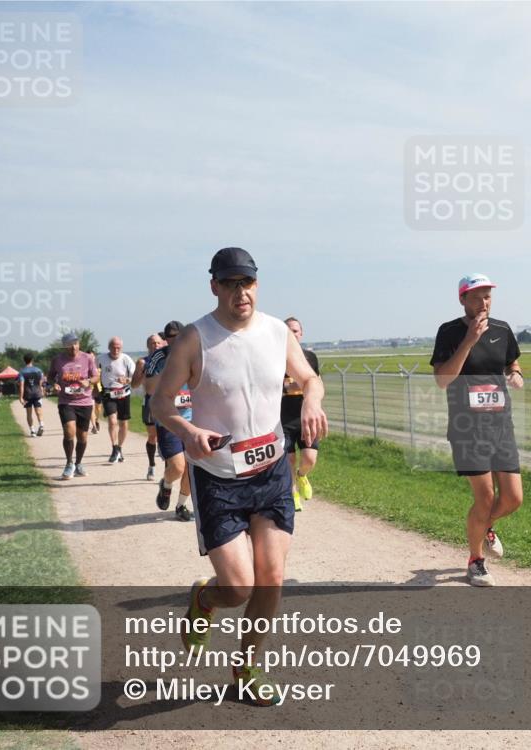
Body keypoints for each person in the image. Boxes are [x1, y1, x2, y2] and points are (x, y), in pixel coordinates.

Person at [152, 247, 326, 706]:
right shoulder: (194, 339)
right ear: (214, 287)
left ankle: (247, 667)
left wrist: (310, 399)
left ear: (257, 284)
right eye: (229, 283)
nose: (240, 291)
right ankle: (204, 601)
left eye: (246, 282)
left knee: (271, 577)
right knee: (238, 586)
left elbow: (310, 378)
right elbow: (160, 404)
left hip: (270, 472)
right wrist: (188, 431)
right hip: (218, 477)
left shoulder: (275, 332)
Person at [430, 273, 524, 587]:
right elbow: (443, 379)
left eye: (488, 297)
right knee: (484, 498)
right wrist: (469, 340)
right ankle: (475, 560)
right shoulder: (449, 332)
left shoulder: (503, 330)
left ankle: (485, 527)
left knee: (512, 498)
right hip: (467, 427)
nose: (484, 303)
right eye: (477, 297)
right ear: (462, 299)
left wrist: (516, 373)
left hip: (501, 425)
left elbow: (513, 362)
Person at [145, 321, 194, 521]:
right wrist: (169, 372)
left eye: (178, 338)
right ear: (166, 340)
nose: (175, 343)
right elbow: (148, 387)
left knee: (191, 470)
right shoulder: (159, 356)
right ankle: (166, 484)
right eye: (170, 339)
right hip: (168, 420)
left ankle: (181, 506)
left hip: (193, 419)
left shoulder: (194, 352)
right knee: (178, 467)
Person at [281, 317, 321, 510]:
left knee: (309, 458)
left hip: (305, 417)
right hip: (283, 419)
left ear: (301, 333)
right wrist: (305, 383)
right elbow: (280, 387)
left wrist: (316, 404)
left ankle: (302, 476)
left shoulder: (310, 358)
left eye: (295, 331)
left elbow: (318, 384)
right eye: (289, 331)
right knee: (289, 459)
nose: (293, 334)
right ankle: (293, 492)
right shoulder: (275, 358)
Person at [48, 332, 98, 480]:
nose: (74, 347)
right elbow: (50, 376)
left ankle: (79, 463)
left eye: (76, 344)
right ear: (65, 347)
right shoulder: (57, 360)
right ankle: (69, 463)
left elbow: (96, 377)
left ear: (79, 344)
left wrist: (88, 382)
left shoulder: (87, 358)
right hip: (66, 401)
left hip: (84, 401)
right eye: (70, 345)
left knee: (82, 436)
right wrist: (54, 384)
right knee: (69, 431)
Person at [96, 337, 136, 463]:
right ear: (109, 347)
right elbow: (94, 374)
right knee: (112, 421)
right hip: (108, 393)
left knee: (123, 423)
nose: (116, 349)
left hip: (124, 392)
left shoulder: (126, 359)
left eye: (118, 347)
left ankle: (119, 448)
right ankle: (114, 448)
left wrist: (127, 380)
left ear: (121, 348)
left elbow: (135, 377)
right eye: (113, 347)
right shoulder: (100, 359)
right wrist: (95, 388)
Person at [133, 333, 166, 481]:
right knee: (153, 436)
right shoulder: (142, 362)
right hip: (150, 402)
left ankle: (168, 468)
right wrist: (142, 372)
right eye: (153, 343)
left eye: (158, 343)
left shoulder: (169, 360)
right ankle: (151, 466)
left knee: (166, 436)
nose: (156, 346)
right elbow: (134, 385)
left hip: (168, 402)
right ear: (147, 346)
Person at [17, 354, 46, 437]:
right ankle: (41, 425)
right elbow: (41, 382)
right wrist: (42, 391)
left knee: (29, 413)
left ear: (24, 360)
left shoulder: (22, 372)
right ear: (32, 360)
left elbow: (21, 385)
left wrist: (20, 397)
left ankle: (32, 431)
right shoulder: (38, 370)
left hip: (27, 395)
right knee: (38, 411)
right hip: (37, 393)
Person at [87, 349, 102, 435]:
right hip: (90, 390)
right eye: (89, 356)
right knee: (91, 408)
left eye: (92, 356)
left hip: (99, 389)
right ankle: (94, 426)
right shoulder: (85, 366)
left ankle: (97, 420)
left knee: (98, 408)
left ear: (94, 357)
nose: (91, 358)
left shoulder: (99, 366)